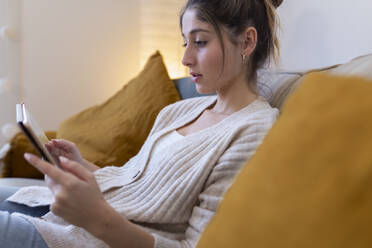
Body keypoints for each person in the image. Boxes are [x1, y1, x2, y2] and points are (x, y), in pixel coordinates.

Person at [0, 0, 281, 247]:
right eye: (186, 42)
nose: (185, 59)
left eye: (201, 42)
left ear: (246, 42)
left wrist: (94, 216)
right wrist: (81, 166)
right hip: (74, 216)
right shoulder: (179, 111)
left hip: (91, 237)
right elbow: (133, 181)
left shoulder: (254, 129)